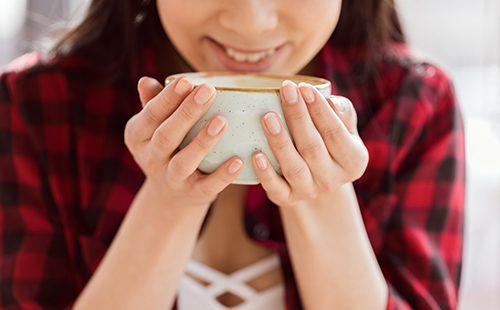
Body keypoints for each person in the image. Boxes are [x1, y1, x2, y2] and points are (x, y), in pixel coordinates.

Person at [0, 0, 465, 309]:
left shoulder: (413, 103)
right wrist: (168, 202)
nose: (251, 24)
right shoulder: (37, 103)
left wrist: (323, 198)